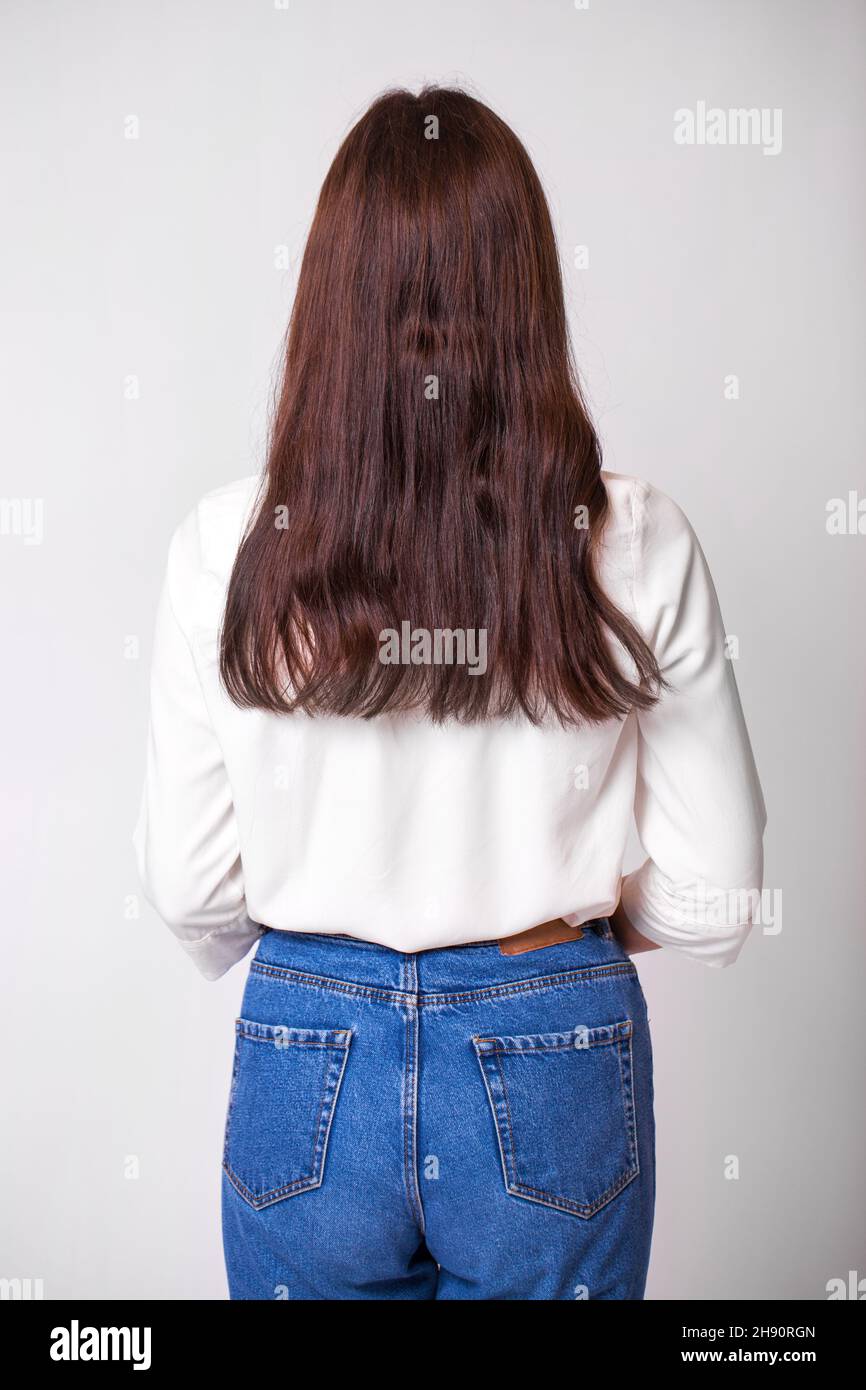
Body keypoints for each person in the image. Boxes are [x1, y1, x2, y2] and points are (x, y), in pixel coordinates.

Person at [133, 86, 766, 1300]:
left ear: (329, 301)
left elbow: (187, 888)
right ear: (525, 293)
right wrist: (548, 934)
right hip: (553, 1046)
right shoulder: (632, 536)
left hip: (303, 1048)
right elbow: (722, 898)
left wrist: (348, 933)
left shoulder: (223, 545)